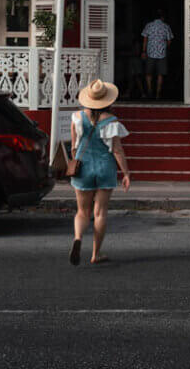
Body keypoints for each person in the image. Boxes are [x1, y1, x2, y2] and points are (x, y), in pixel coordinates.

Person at [69, 78, 131, 266]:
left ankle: (78, 237)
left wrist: (75, 160)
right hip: (105, 167)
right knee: (100, 213)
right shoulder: (111, 121)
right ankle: (96, 254)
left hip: (83, 166)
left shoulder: (77, 118)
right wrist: (126, 173)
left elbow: (73, 147)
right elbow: (117, 150)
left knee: (82, 211)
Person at [141, 8, 173, 100]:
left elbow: (145, 39)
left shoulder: (149, 26)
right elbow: (169, 41)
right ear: (162, 17)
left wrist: (143, 51)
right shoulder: (166, 26)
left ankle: (150, 90)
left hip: (150, 52)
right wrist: (163, 47)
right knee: (160, 74)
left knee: (148, 73)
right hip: (162, 53)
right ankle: (158, 93)